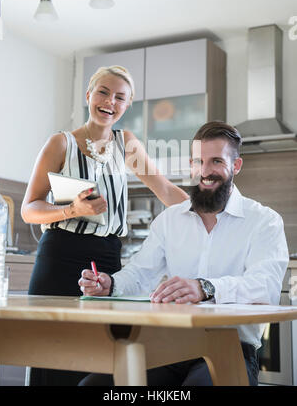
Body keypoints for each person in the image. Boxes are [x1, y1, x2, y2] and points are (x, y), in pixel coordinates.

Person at [78, 121, 289, 386]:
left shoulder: (264, 221)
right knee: (94, 386)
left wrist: (205, 288)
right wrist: (111, 284)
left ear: (236, 166)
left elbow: (266, 288)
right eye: (198, 161)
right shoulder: (169, 220)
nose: (205, 171)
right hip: (169, 347)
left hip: (231, 347)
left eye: (216, 161)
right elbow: (140, 273)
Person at [21, 65, 188, 386]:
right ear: (88, 95)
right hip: (59, 259)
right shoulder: (60, 144)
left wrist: (206, 212)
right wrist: (73, 209)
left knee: (104, 355)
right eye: (103, 92)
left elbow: (165, 190)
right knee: (50, 354)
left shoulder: (127, 143)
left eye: (120, 97)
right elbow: (29, 208)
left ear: (127, 106)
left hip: (107, 261)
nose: (110, 101)